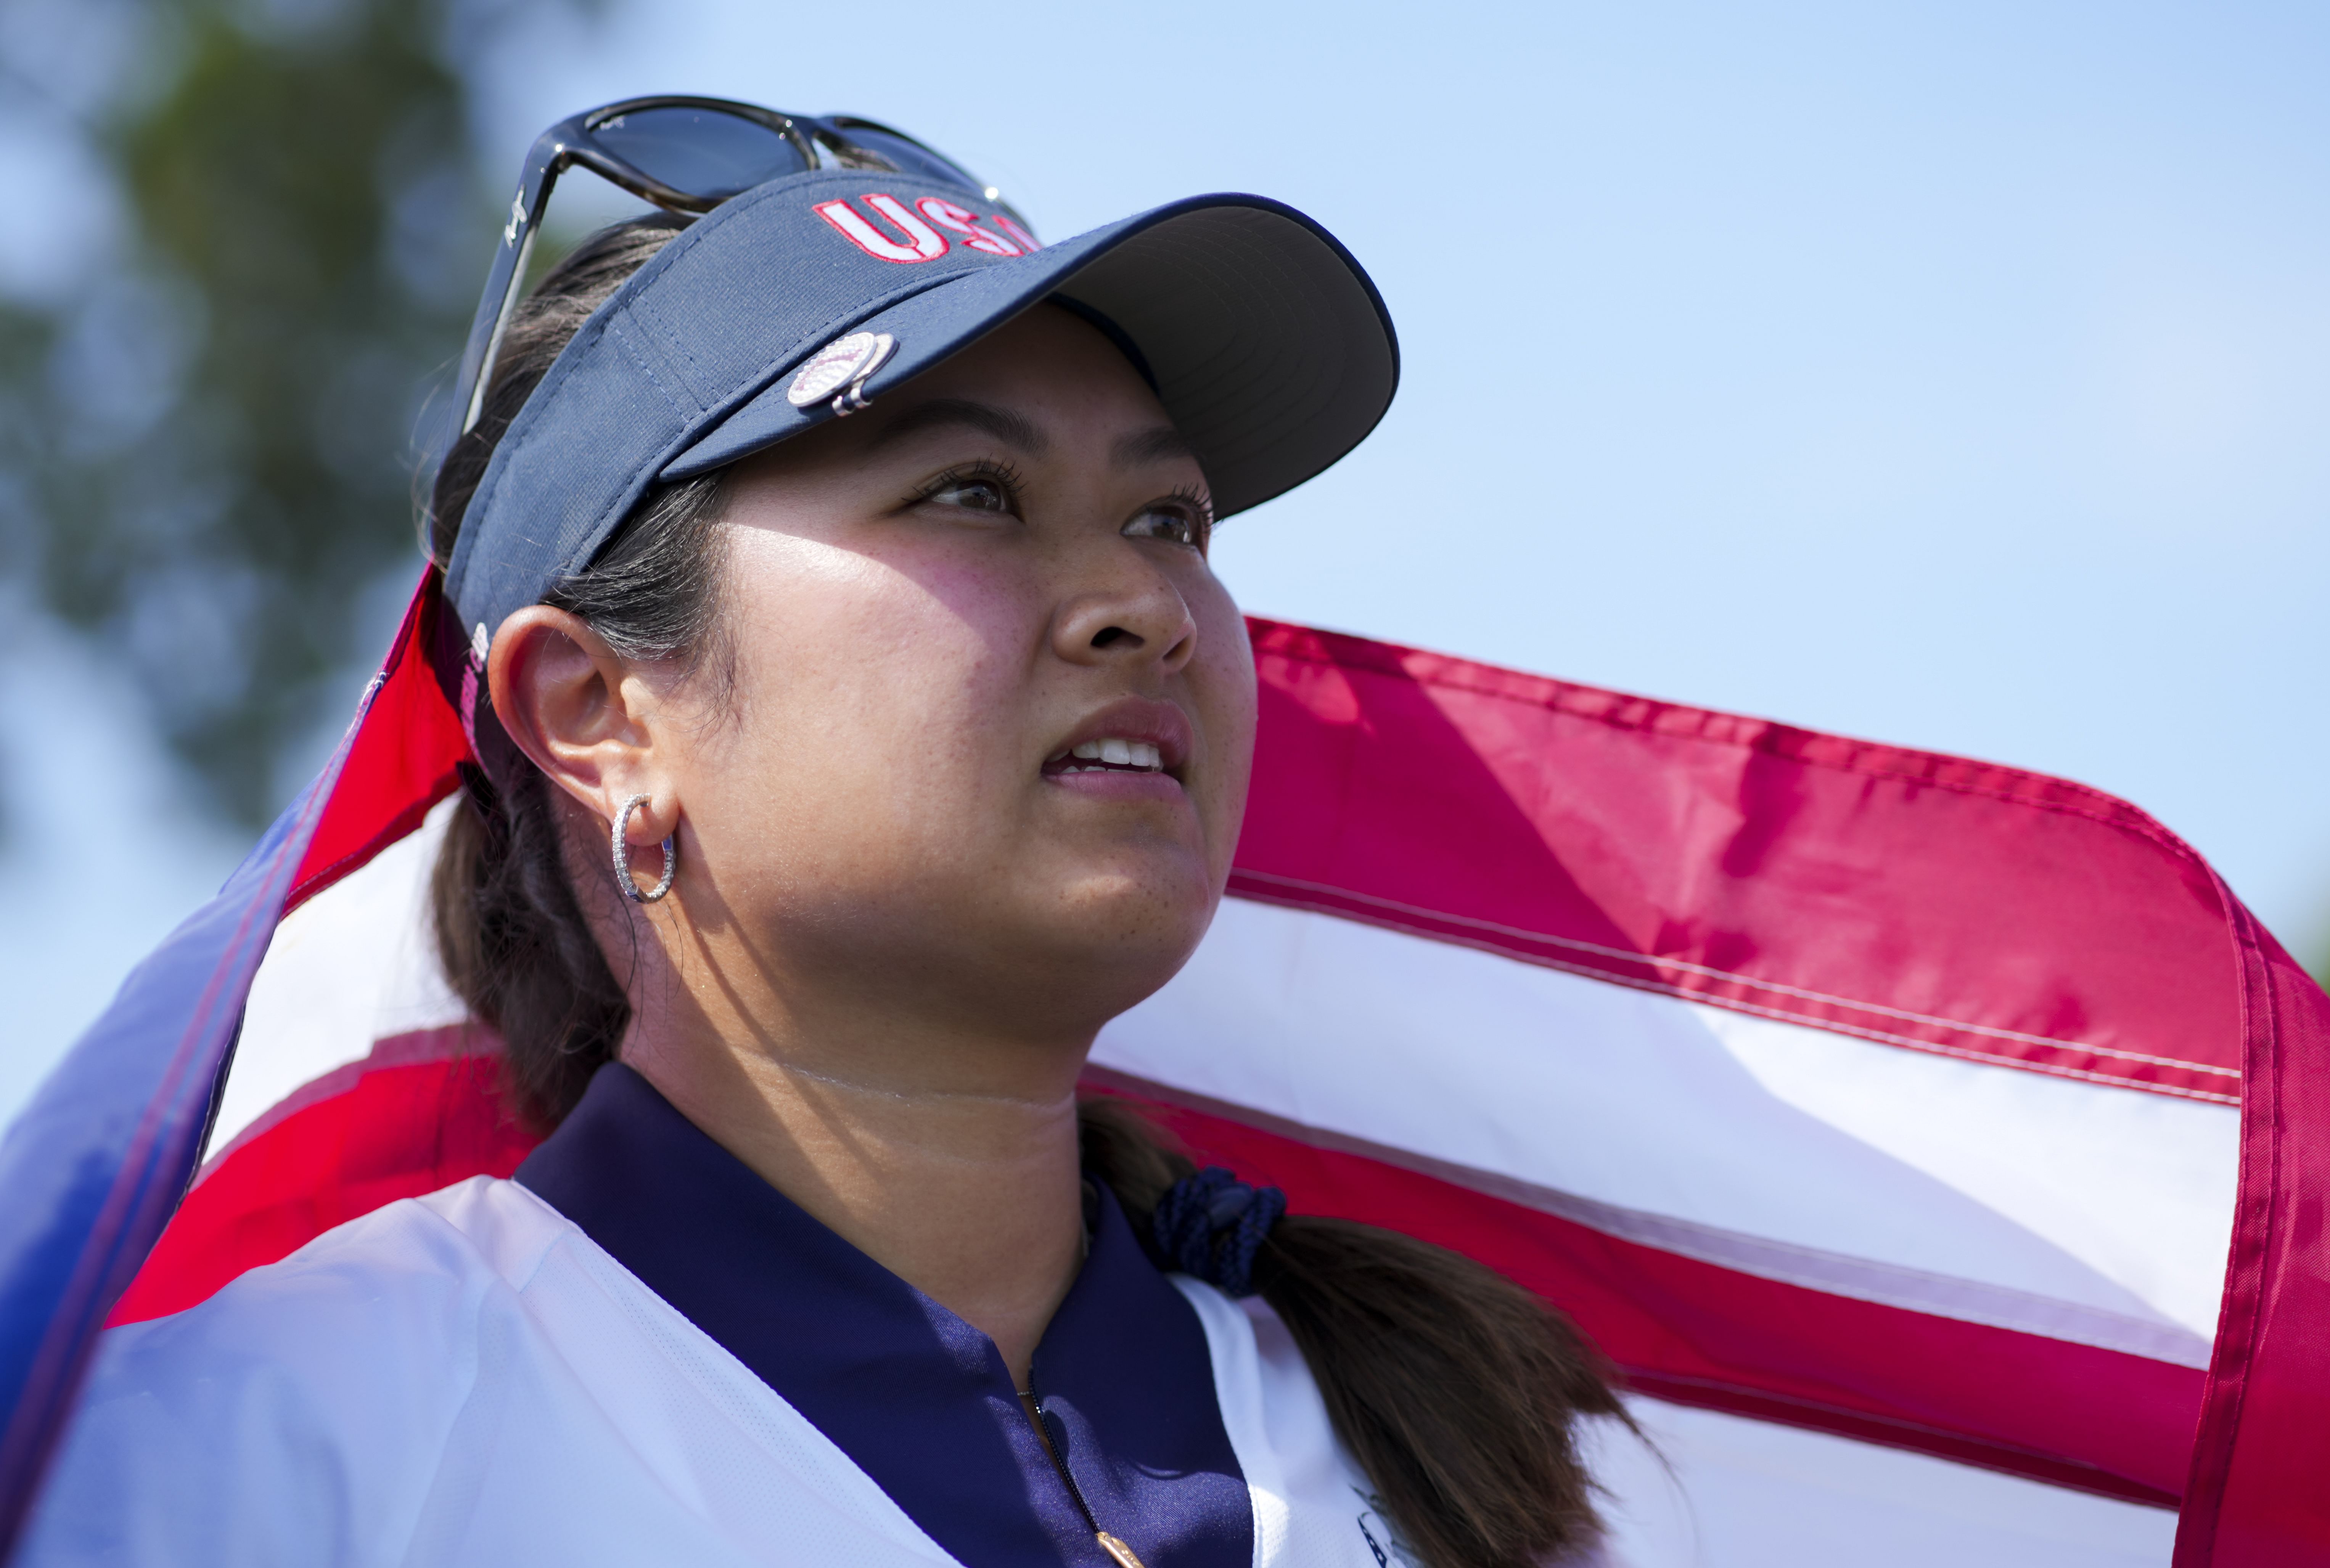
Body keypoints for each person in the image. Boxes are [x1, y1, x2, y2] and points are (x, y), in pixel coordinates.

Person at [21, 100, 1627, 1567]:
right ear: (597, 708)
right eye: (971, 492)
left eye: (1170, 520)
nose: (1147, 607)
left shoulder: (1443, 1463)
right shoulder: (260, 1458)